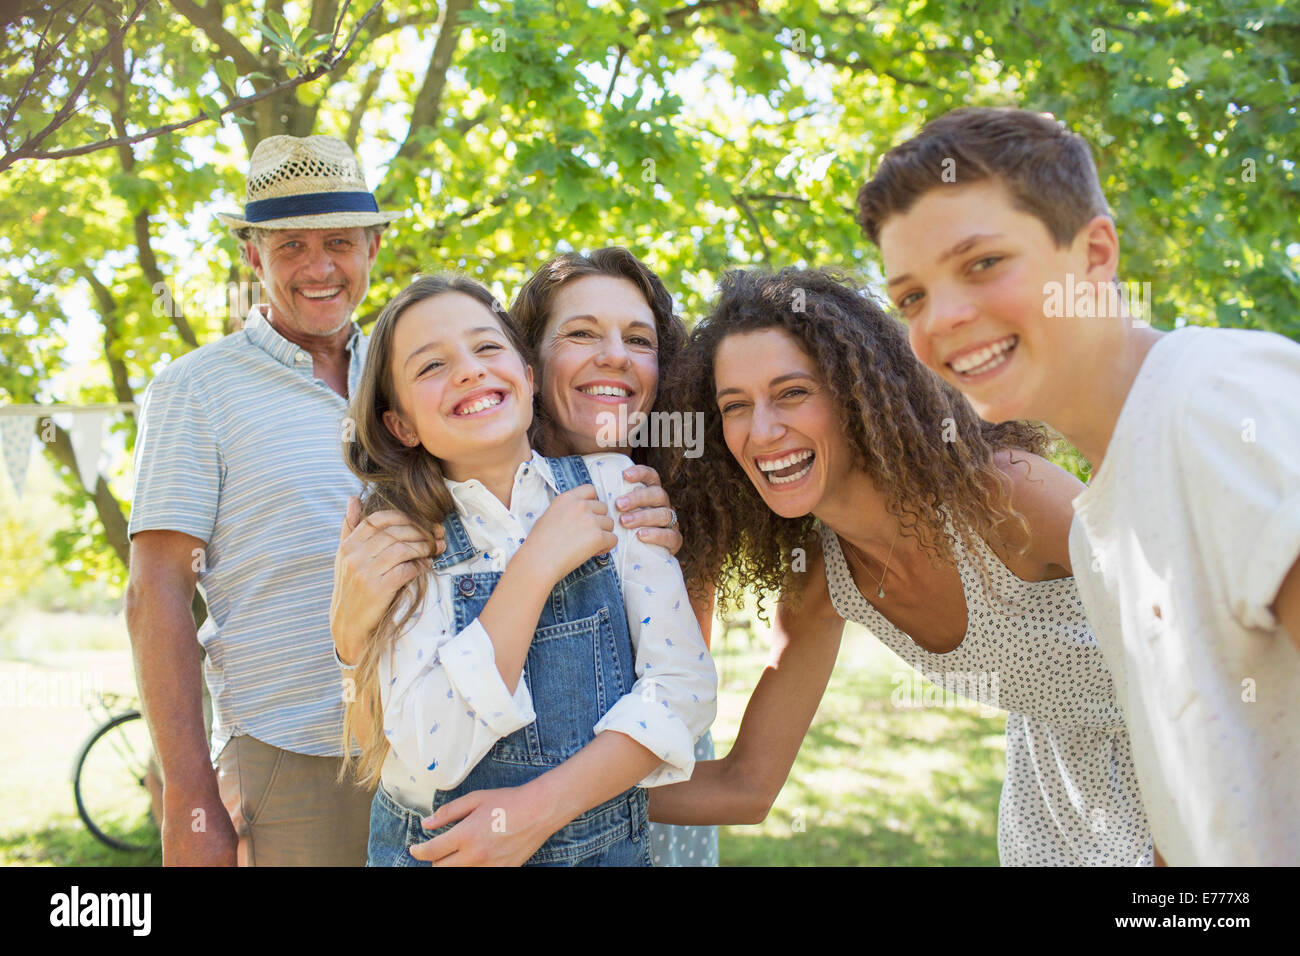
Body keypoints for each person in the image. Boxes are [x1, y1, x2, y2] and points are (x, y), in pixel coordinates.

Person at [857, 106, 1300, 865]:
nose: (946, 319)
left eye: (983, 263)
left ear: (1095, 253)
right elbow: (1194, 815)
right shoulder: (1097, 532)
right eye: (912, 298)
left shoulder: (1217, 405)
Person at [650, 266, 1153, 866]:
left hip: (1194, 767)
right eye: (736, 405)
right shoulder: (820, 579)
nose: (763, 431)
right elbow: (746, 785)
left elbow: (1201, 637)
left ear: (856, 396)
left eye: (792, 393)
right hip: (1057, 808)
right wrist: (556, 795)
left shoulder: (1002, 493)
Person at [332, 247, 721, 865]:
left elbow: (685, 688)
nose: (467, 370)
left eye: (487, 348)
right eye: (432, 364)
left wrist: (535, 808)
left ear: (526, 375)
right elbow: (436, 753)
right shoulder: (403, 539)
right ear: (401, 424)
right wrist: (535, 568)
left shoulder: (620, 486)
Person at [125, 134, 396, 866]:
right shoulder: (196, 388)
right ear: (252, 256)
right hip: (295, 759)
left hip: (440, 746)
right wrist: (188, 799)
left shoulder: (411, 374)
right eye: (289, 246)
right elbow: (156, 592)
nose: (319, 267)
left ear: (374, 245)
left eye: (339, 241)